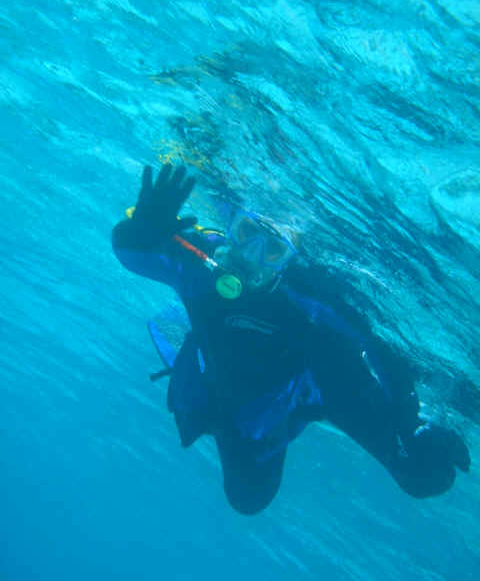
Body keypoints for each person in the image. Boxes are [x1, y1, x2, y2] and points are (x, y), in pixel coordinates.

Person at [112, 163, 471, 515]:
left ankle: (450, 398)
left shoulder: (310, 291)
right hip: (237, 404)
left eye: (272, 250)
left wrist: (410, 422)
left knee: (422, 475)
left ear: (288, 260)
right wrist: (140, 230)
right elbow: (131, 254)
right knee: (247, 499)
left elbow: (375, 343)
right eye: (247, 233)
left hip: (319, 378)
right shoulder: (200, 261)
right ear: (232, 226)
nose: (251, 255)